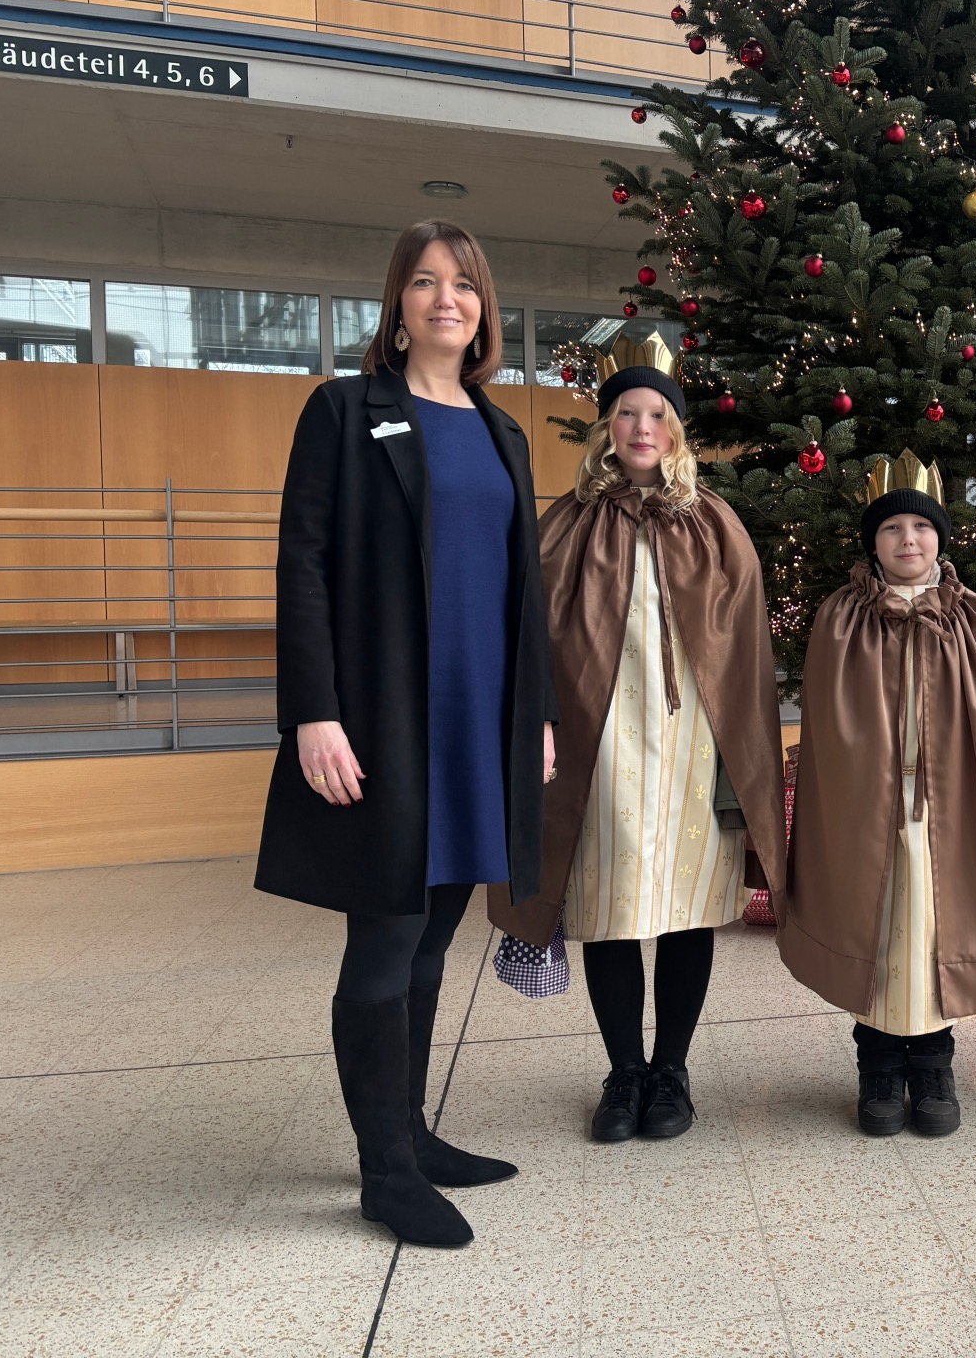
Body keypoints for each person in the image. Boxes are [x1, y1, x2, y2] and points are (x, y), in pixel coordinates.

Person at [255, 219, 556, 1248]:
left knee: (435, 938)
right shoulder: (345, 412)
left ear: (484, 309)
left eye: (463, 285)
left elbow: (526, 593)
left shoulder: (501, 429)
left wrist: (539, 718)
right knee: (384, 942)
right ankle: (385, 1170)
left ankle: (413, 1135)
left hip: (482, 723)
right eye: (425, 283)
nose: (445, 300)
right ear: (398, 303)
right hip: (385, 720)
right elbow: (303, 566)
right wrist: (314, 712)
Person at [488, 336, 784, 1144]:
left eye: (657, 413)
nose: (642, 426)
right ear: (607, 428)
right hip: (601, 741)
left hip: (693, 741)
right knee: (608, 906)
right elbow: (534, 635)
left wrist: (742, 755)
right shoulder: (568, 523)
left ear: (677, 430)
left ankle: (673, 1070)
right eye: (627, 412)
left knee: (688, 911)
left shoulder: (715, 524)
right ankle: (624, 1071)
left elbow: (744, 652)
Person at [779, 451, 976, 1137]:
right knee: (880, 934)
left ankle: (936, 1065)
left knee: (936, 931)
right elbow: (832, 722)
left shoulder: (973, 616)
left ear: (940, 538)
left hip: (948, 810)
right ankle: (880, 1066)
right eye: (892, 530)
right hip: (869, 809)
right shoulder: (842, 615)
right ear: (873, 542)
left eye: (921, 528)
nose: (908, 540)